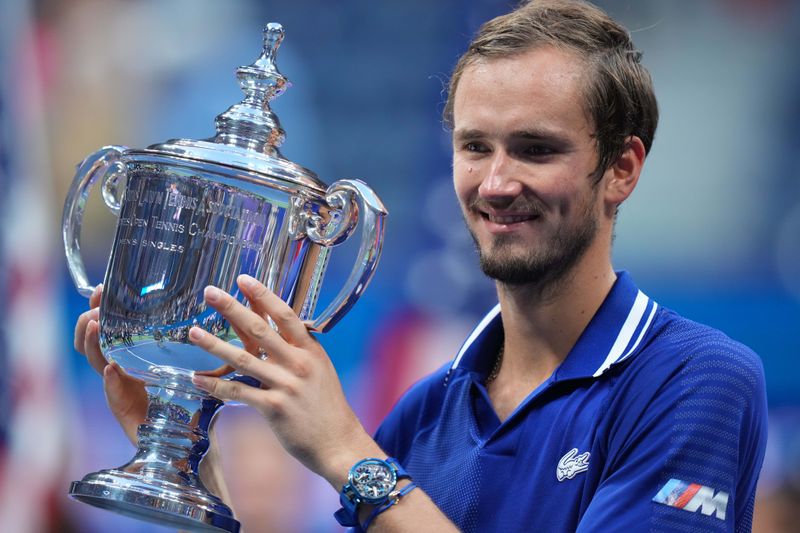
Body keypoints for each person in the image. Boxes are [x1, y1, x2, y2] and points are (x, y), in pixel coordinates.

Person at [74, 0, 768, 531]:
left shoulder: (697, 379)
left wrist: (348, 453)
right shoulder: (425, 413)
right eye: (475, 147)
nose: (496, 182)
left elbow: (360, 467)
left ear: (621, 168)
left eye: (535, 149)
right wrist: (188, 463)